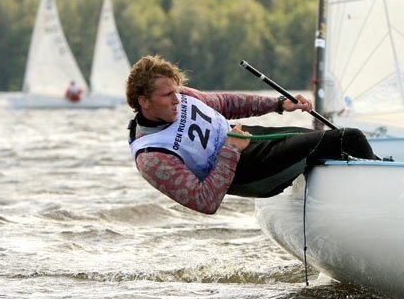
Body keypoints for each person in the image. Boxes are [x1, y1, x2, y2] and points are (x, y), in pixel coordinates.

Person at [126, 55, 381, 215]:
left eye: (176, 91)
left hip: (253, 140)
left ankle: (358, 202)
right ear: (144, 101)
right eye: (167, 95)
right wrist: (231, 150)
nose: (177, 99)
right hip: (251, 172)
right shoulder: (152, 157)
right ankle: (385, 205)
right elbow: (205, 202)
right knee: (349, 138)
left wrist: (279, 104)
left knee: (337, 146)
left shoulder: (182, 96)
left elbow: (226, 103)